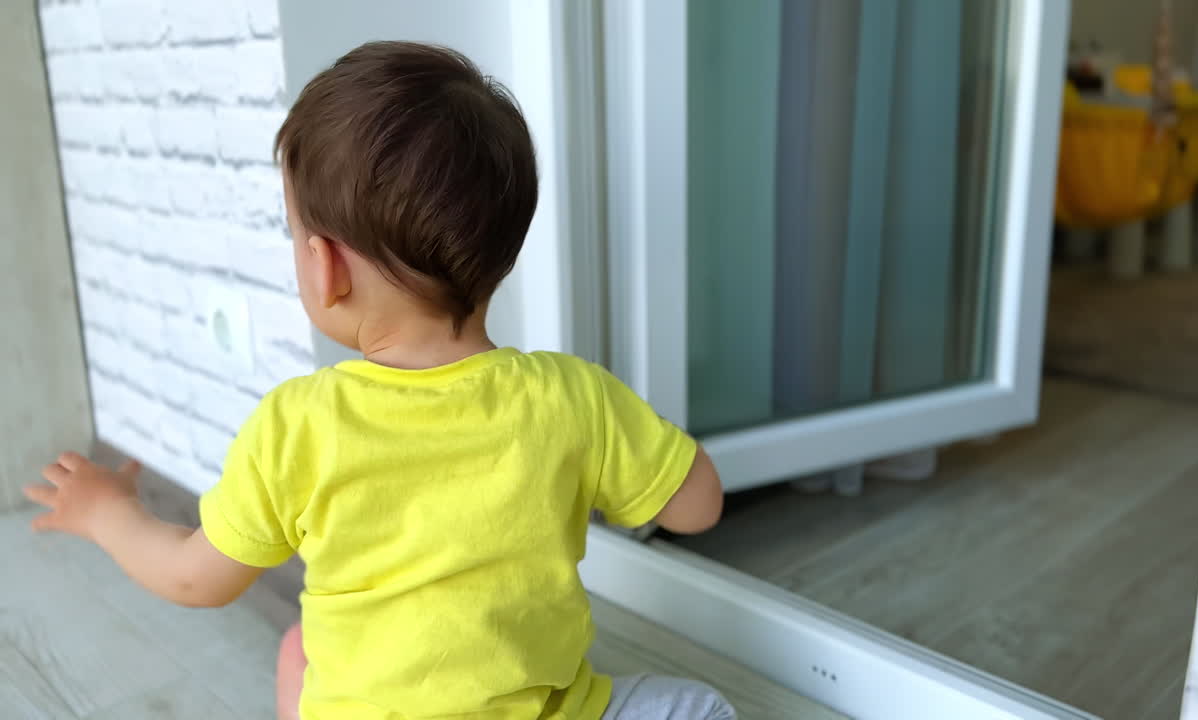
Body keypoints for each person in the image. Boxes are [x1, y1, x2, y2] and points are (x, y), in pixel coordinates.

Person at [24, 41, 735, 720]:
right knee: (703, 707)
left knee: (297, 651)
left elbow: (191, 576)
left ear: (325, 267)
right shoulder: (570, 396)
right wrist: (640, 453)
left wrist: (104, 513)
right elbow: (698, 506)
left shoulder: (298, 424)